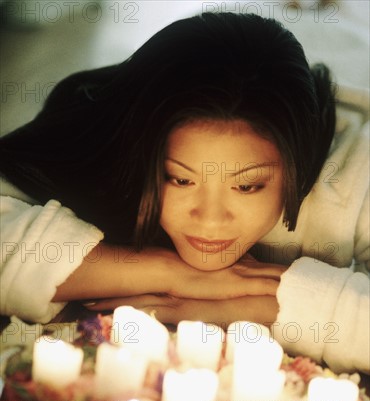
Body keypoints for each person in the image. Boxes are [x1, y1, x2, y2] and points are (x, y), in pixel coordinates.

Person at [0, 13, 368, 373]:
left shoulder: (355, 172)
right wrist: (169, 273)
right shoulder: (114, 139)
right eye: (179, 179)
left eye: (246, 186)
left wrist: (266, 306)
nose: (209, 219)